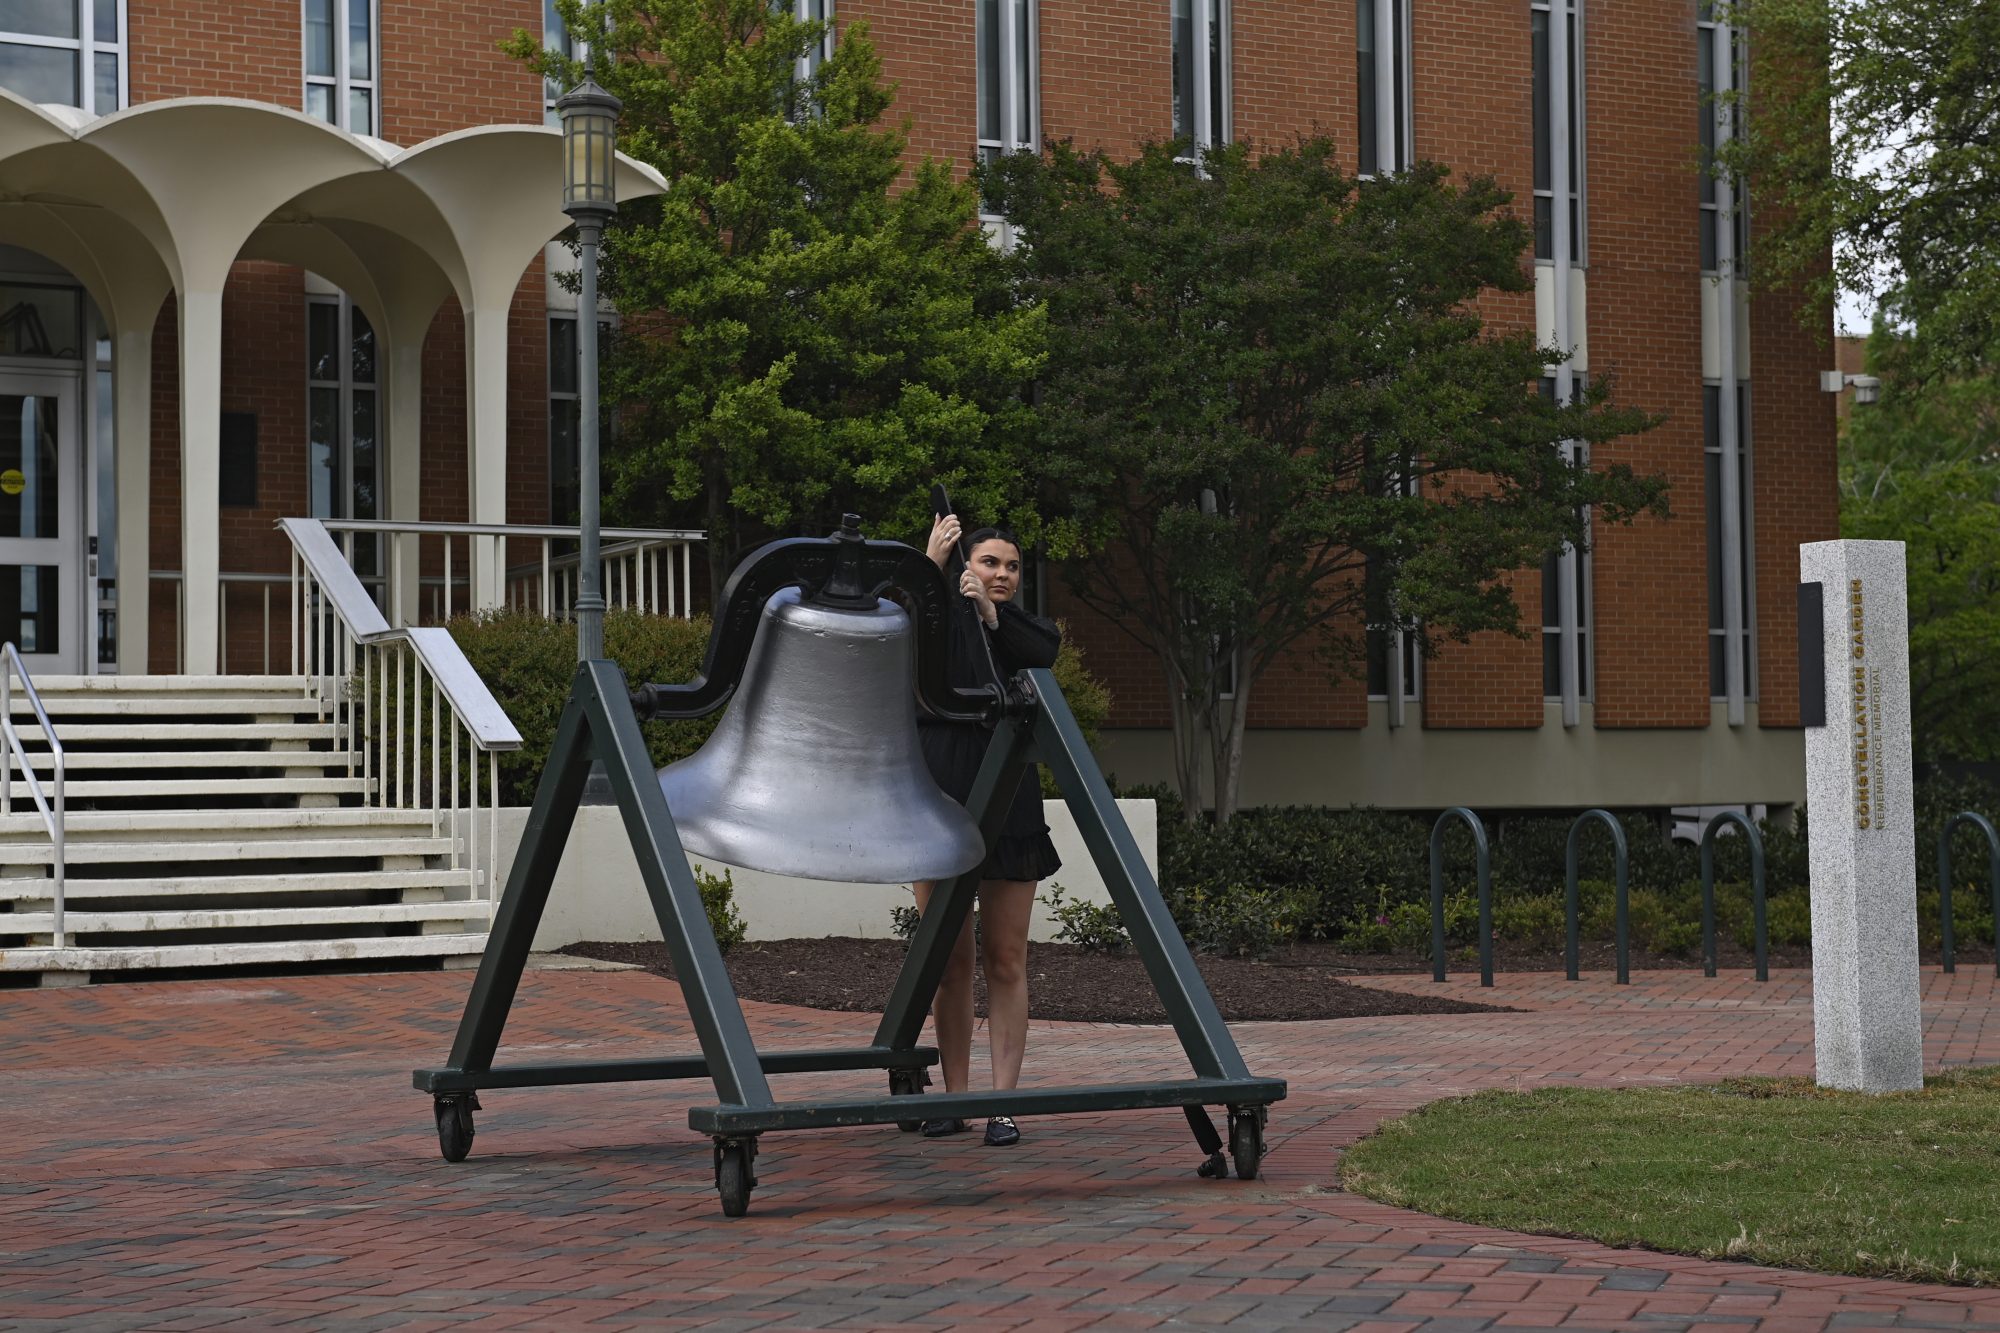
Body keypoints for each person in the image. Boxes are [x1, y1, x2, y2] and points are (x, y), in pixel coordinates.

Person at [909, 511, 1061, 1147]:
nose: (1001, 574)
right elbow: (899, 632)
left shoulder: (1016, 629)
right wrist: (932, 567)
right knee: (948, 961)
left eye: (1011, 565)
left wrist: (990, 617)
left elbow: (1040, 652)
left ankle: (1004, 1105)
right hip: (937, 798)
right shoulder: (933, 615)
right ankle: (954, 1100)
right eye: (987, 562)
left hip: (1010, 801)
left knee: (1005, 956)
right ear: (965, 564)